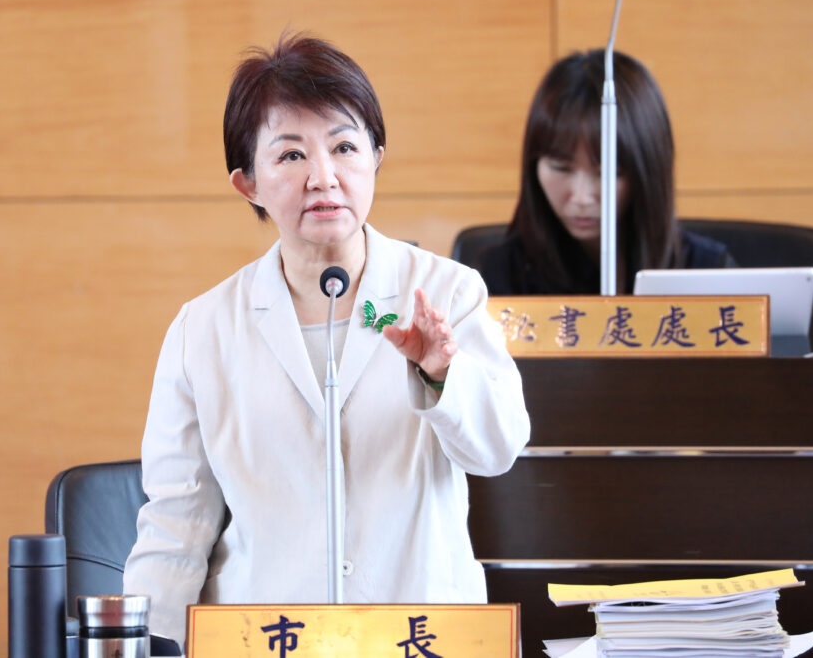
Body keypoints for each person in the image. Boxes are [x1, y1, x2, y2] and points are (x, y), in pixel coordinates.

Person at [122, 33, 530, 646]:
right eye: (291, 155)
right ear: (248, 184)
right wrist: (146, 646)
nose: (324, 177)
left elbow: (498, 449)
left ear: (376, 159)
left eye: (344, 147)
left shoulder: (446, 292)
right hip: (268, 640)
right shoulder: (202, 330)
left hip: (419, 637)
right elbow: (176, 524)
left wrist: (442, 374)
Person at [478, 49, 735, 295]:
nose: (581, 197)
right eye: (561, 168)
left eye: (607, 173)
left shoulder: (708, 271)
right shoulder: (497, 275)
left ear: (647, 171)